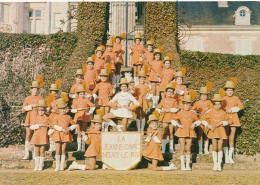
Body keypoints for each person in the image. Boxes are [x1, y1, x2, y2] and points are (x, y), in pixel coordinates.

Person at [200, 94, 231, 171]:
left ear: (221, 104)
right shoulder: (210, 112)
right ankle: (215, 164)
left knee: (220, 147)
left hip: (221, 131)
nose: (217, 106)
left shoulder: (223, 112)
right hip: (213, 131)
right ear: (213, 104)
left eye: (219, 104)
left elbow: (229, 120)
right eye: (216, 104)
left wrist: (222, 123)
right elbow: (202, 119)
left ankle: (219, 165)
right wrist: (208, 125)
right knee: (214, 147)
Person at [171, 95, 201, 170]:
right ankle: (182, 165)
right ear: (183, 105)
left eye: (189, 105)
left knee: (188, 148)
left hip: (190, 131)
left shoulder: (192, 113)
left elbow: (198, 120)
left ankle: (187, 164)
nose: (188, 106)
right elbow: (173, 120)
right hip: (182, 130)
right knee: (182, 147)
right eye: (186, 104)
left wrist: (194, 124)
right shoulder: (180, 112)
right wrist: (178, 125)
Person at [51, 98, 77, 171]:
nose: (63, 110)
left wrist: (69, 128)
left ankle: (62, 166)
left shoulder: (68, 117)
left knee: (63, 150)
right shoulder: (56, 116)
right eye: (61, 109)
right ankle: (57, 166)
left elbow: (74, 124)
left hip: (65, 134)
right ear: (59, 109)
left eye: (64, 109)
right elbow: (54, 125)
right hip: (58, 134)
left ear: (66, 108)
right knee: (57, 150)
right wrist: (61, 129)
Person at [221, 79, 243, 164]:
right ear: (225, 91)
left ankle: (230, 157)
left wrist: (233, 109)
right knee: (225, 137)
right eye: (228, 90)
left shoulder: (236, 98)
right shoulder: (223, 99)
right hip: (226, 118)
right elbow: (221, 108)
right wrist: (227, 110)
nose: (229, 92)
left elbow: (241, 106)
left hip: (234, 118)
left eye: (231, 90)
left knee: (232, 137)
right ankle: (226, 157)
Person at [22, 80, 43, 160]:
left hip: (38, 119)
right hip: (30, 119)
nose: (35, 91)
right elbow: (23, 109)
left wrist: (39, 106)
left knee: (36, 136)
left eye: (37, 90)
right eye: (34, 89)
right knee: (28, 135)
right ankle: (26, 153)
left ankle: (35, 154)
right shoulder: (27, 98)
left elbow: (43, 107)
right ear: (31, 90)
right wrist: (31, 106)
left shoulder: (40, 98)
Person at [71, 85, 96, 152]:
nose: (82, 95)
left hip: (85, 117)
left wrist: (89, 112)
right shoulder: (75, 100)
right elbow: (72, 110)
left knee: (83, 132)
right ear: (78, 94)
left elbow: (93, 106)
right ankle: (79, 148)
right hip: (78, 117)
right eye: (80, 94)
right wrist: (77, 109)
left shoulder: (86, 100)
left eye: (83, 94)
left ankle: (83, 148)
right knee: (79, 132)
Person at [156, 83, 178, 153]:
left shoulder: (174, 100)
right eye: (168, 91)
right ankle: (163, 148)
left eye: (171, 92)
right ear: (166, 92)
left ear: (172, 93)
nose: (169, 93)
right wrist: (161, 111)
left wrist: (169, 110)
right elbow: (157, 108)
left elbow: (176, 109)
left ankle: (171, 148)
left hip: (172, 117)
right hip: (165, 117)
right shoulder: (163, 100)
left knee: (171, 133)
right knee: (165, 132)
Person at [191, 85, 213, 154]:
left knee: (206, 134)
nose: (204, 97)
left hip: (207, 120)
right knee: (200, 133)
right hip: (200, 120)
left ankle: (206, 149)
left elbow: (212, 109)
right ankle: (200, 149)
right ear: (200, 96)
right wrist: (196, 113)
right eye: (203, 95)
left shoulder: (209, 102)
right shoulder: (197, 102)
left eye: (205, 95)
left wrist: (209, 111)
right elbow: (192, 110)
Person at [30, 100, 51, 171]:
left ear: (44, 110)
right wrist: (38, 125)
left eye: (42, 110)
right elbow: (31, 127)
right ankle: (36, 165)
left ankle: (41, 165)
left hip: (43, 135)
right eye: (39, 110)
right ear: (37, 111)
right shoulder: (35, 117)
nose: (41, 112)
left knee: (42, 151)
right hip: (37, 136)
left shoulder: (47, 118)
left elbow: (51, 126)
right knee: (36, 151)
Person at [46, 81, 61, 152]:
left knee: (56, 131)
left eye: (55, 93)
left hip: (58, 118)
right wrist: (48, 110)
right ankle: (51, 146)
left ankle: (55, 146)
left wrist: (57, 111)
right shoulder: (48, 101)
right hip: (51, 118)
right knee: (50, 132)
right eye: (52, 93)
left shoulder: (60, 100)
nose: (54, 94)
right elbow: (46, 110)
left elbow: (65, 110)